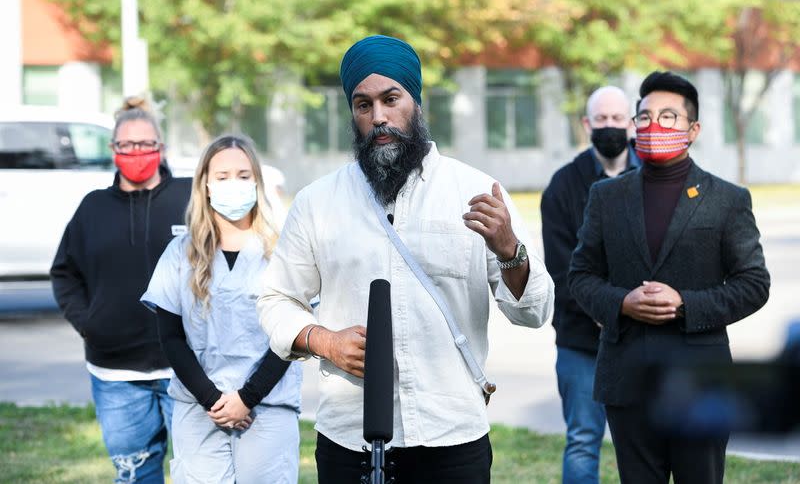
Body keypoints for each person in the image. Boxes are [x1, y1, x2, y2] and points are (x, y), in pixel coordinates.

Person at [257, 34, 554, 484]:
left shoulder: (476, 191)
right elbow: (275, 299)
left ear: (416, 101)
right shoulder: (318, 202)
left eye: (390, 99)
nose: (379, 117)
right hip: (349, 437)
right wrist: (323, 340)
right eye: (363, 104)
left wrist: (510, 251)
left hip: (452, 437)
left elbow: (534, 312)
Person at [568, 71, 770, 484]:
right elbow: (581, 276)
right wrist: (622, 302)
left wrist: (686, 304)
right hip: (626, 379)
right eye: (643, 117)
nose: (653, 125)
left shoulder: (727, 200)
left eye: (668, 117)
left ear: (692, 129)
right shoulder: (606, 196)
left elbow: (754, 283)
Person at [140, 134, 302, 483]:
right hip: (199, 410)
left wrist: (247, 397)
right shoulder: (180, 254)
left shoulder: (283, 252)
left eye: (243, 176)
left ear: (257, 182)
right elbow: (170, 338)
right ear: (206, 185)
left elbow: (292, 337)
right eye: (223, 176)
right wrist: (213, 399)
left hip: (267, 408)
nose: (234, 184)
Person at [50, 96, 190, 484]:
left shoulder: (192, 198)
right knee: (135, 476)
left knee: (202, 473)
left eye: (145, 144)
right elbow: (64, 273)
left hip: (190, 370)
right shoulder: (92, 208)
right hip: (116, 374)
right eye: (127, 145)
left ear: (161, 148)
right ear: (113, 150)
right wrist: (90, 323)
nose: (136, 152)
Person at [540, 86, 639, 484]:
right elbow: (562, 273)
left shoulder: (653, 178)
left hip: (643, 340)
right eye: (601, 119)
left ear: (632, 124)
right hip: (581, 342)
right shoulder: (563, 187)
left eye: (618, 119)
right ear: (587, 124)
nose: (610, 126)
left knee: (645, 442)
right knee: (583, 439)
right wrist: (612, 309)